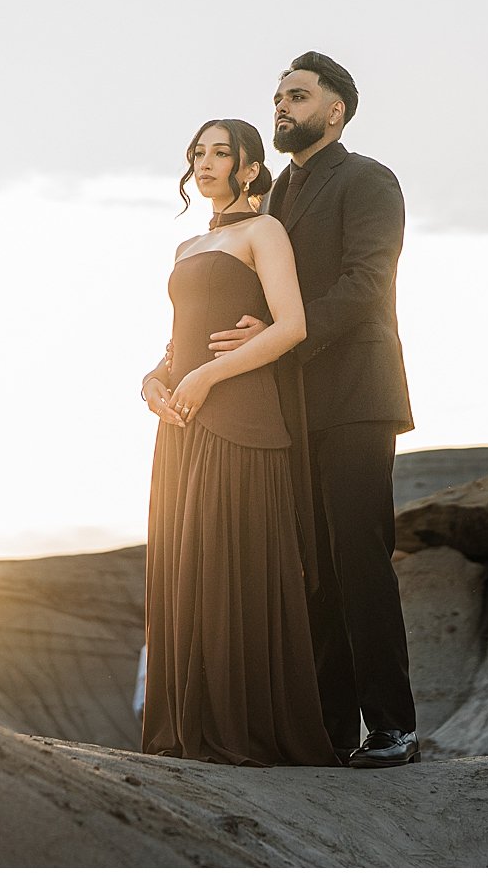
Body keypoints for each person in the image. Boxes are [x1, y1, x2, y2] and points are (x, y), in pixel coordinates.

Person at [208, 52, 419, 767]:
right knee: (311, 569)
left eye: (297, 96)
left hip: (357, 392)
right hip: (287, 404)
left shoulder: (368, 180)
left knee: (358, 557)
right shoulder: (270, 203)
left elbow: (367, 283)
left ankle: (393, 726)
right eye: (276, 97)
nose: (281, 108)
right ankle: (330, 729)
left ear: (335, 110)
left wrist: (278, 338)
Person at [136, 118, 337, 767]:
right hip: (183, 424)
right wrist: (154, 377)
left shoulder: (264, 231)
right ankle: (189, 728)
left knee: (229, 570)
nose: (206, 161)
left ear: (249, 167)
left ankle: (240, 732)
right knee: (186, 568)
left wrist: (208, 374)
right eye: (198, 151)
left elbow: (292, 326)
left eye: (221, 152)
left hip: (241, 417)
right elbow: (180, 341)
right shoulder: (186, 248)